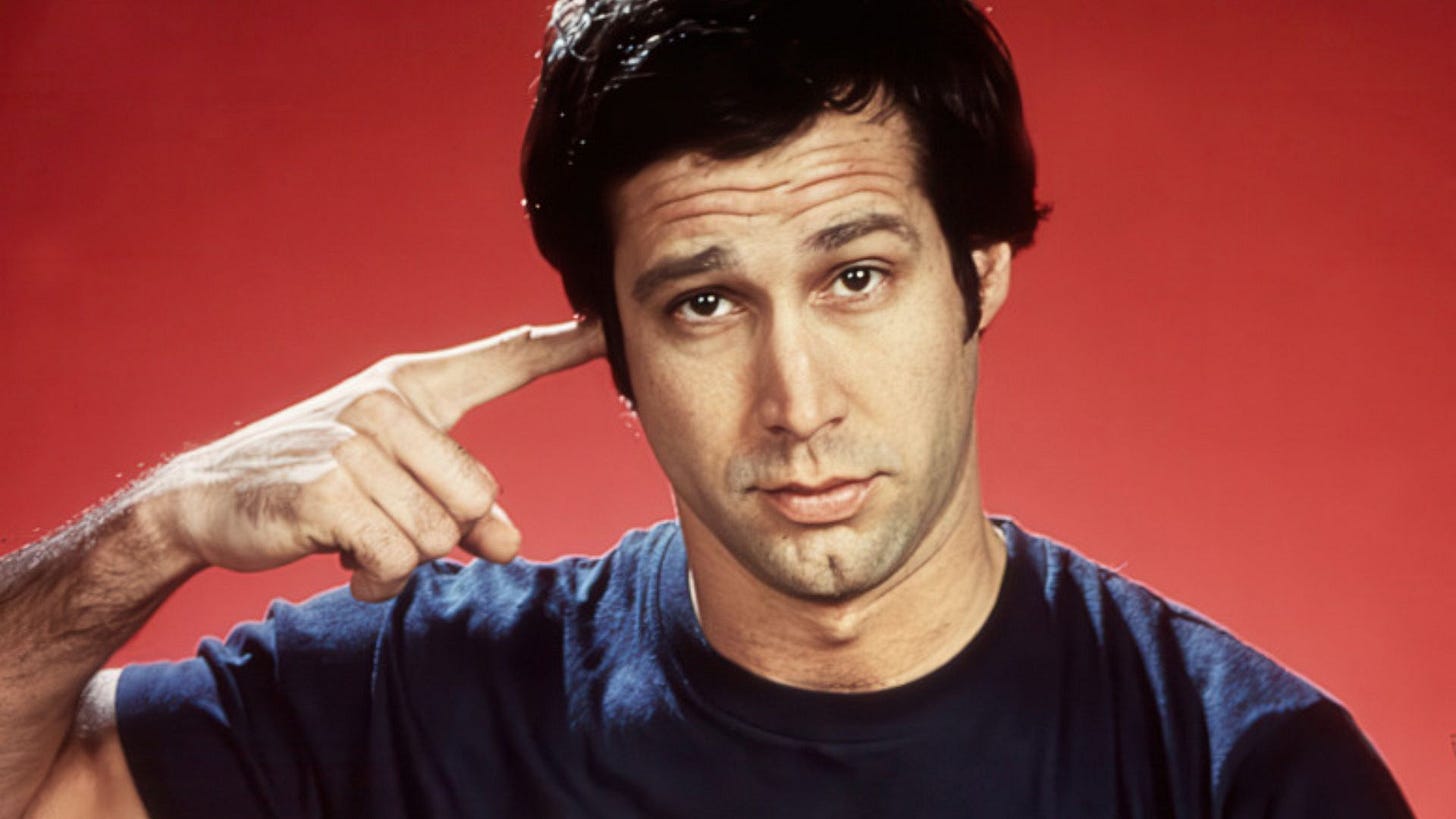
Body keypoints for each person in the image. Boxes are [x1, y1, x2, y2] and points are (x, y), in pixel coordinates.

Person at [2, 1, 1414, 816]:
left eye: (855, 276)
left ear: (978, 274)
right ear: (611, 342)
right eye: (705, 303)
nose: (796, 402)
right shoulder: (411, 700)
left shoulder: (1238, 771)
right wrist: (154, 526)